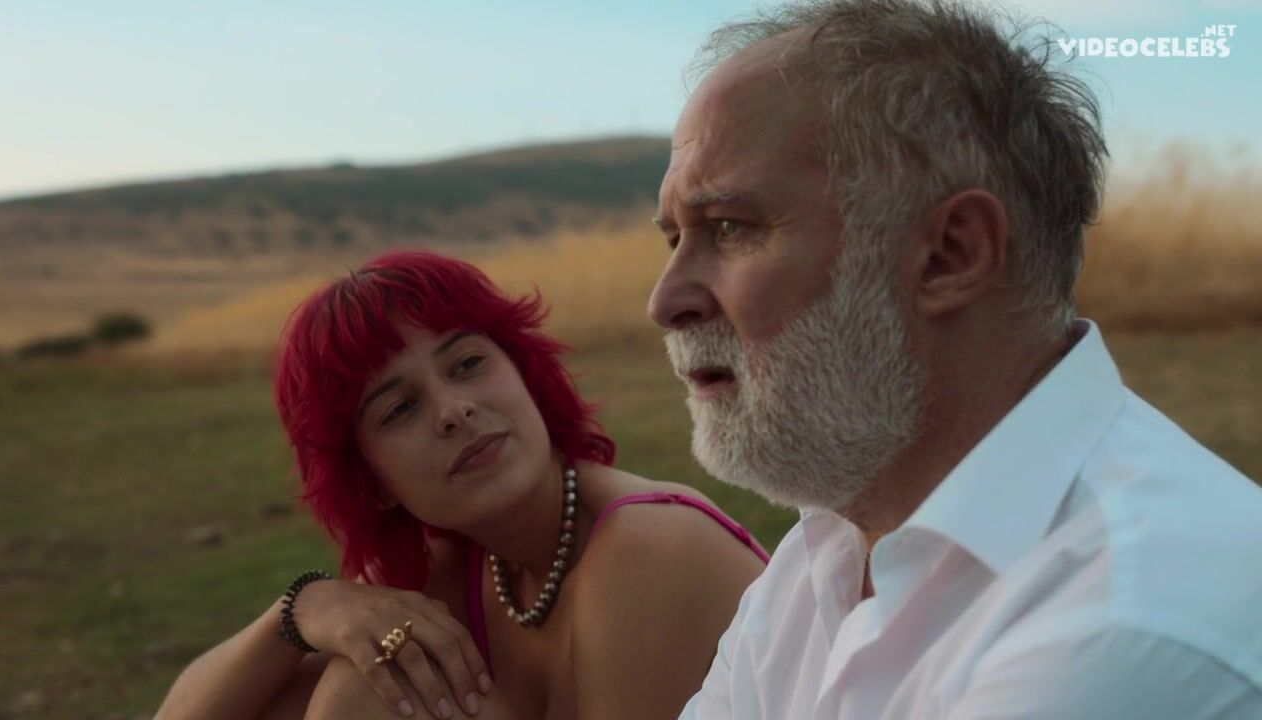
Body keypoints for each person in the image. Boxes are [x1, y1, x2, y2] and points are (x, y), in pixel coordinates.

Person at [648, 0, 1262, 717]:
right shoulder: (825, 553)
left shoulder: (1125, 620)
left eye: (729, 227)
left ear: (949, 255)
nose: (665, 301)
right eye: (674, 238)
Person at [156, 250, 767, 720]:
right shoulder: (454, 569)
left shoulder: (647, 546)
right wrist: (300, 611)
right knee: (347, 677)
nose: (453, 410)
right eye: (400, 409)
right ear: (373, 483)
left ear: (525, 374)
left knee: (375, 687)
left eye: (468, 364)